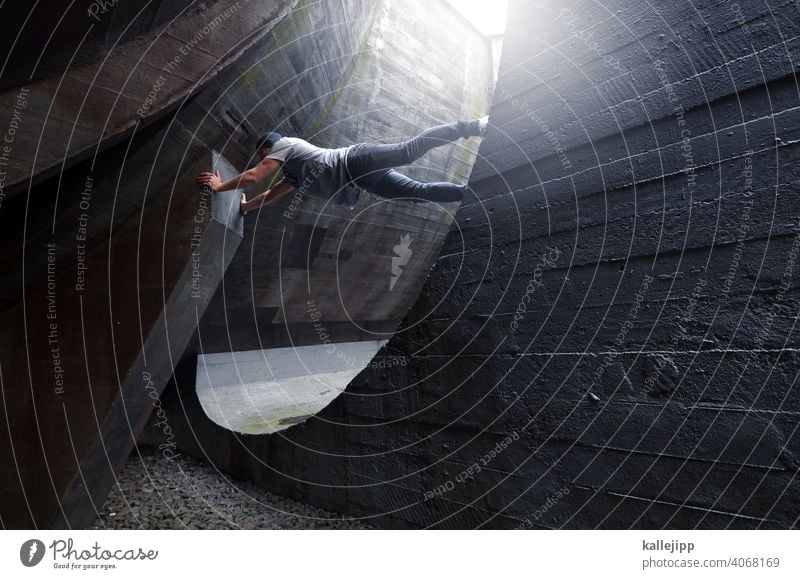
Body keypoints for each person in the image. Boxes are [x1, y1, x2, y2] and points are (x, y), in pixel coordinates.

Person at [195, 117, 488, 214]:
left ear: (265, 149)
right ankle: (472, 192)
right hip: (362, 180)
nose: (264, 160)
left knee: (408, 151)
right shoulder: (294, 175)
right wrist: (245, 208)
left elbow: (255, 177)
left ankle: (472, 125)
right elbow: (269, 196)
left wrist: (221, 187)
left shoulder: (286, 145)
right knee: (418, 193)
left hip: (357, 160)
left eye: (263, 155)